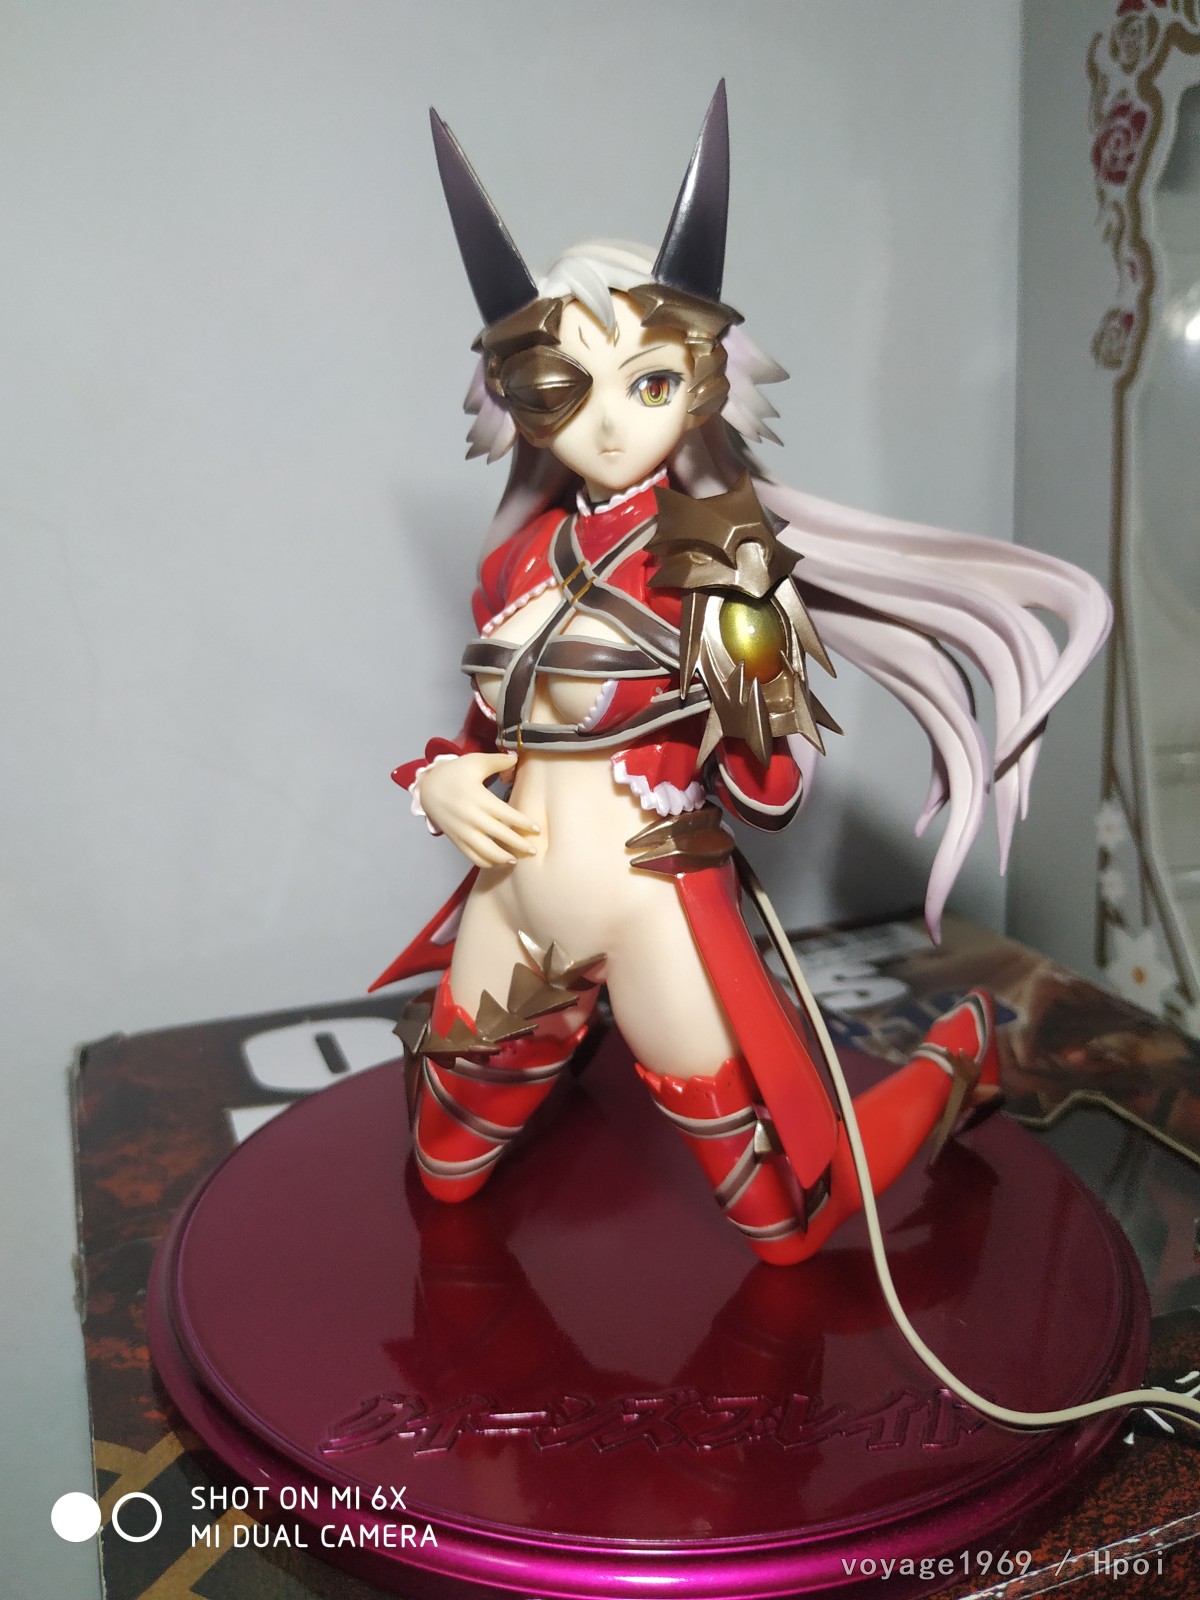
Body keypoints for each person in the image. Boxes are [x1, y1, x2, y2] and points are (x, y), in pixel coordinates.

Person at [372, 85, 1111, 1267]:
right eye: (567, 389)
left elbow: (772, 795)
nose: (609, 426)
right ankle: (569, 1044)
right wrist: (442, 784)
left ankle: (955, 1051)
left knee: (786, 1225)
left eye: (648, 383)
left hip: (653, 906)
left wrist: (747, 662)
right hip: (517, 907)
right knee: (444, 1175)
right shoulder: (517, 557)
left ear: (699, 381)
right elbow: (481, 731)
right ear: (523, 398)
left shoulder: (721, 553)